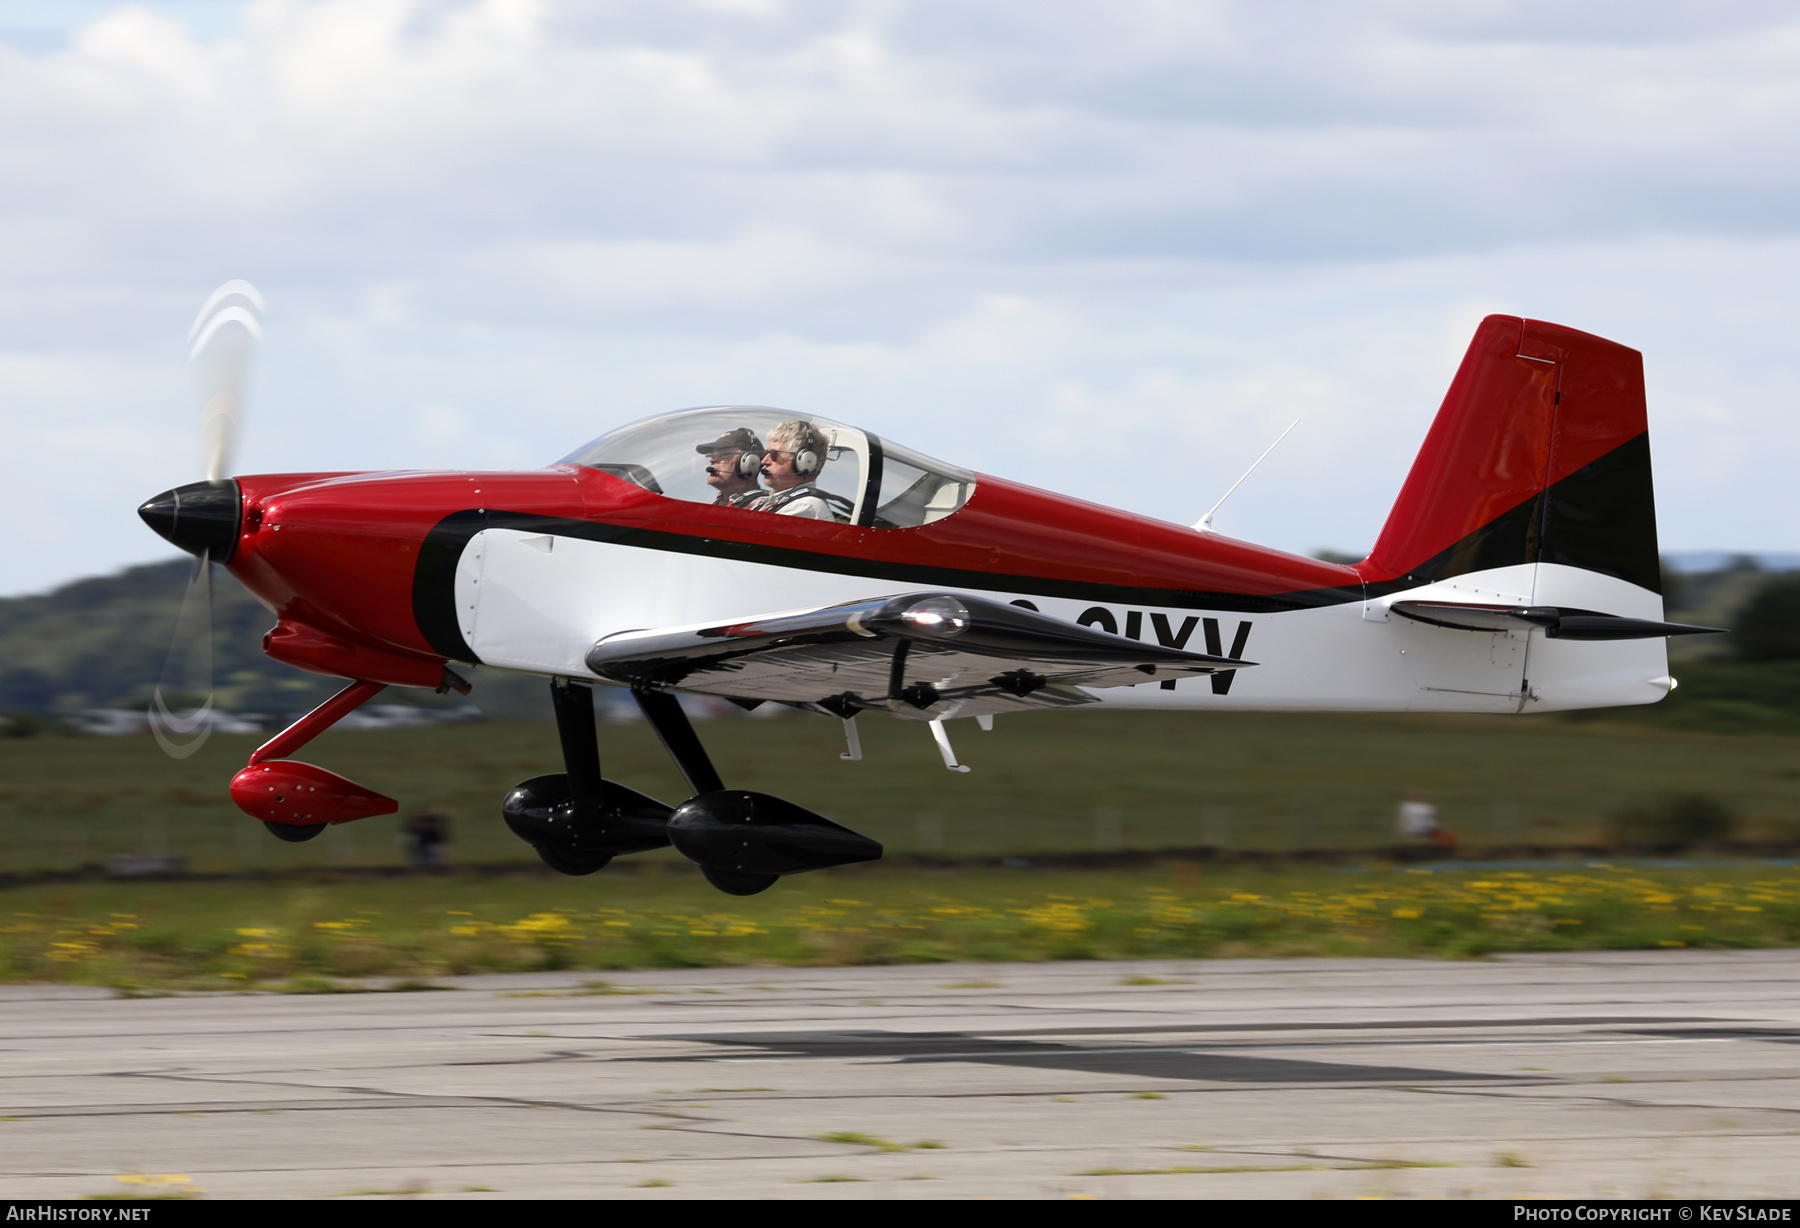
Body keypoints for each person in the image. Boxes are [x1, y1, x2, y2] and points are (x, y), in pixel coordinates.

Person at [747, 420, 836, 519]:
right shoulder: (774, 502)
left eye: (774, 454)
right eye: (765, 453)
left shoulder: (804, 506)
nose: (764, 461)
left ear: (804, 462)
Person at [694, 427, 766, 507]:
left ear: (750, 462)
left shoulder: (768, 508)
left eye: (721, 454)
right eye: (711, 455)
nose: (711, 459)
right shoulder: (717, 505)